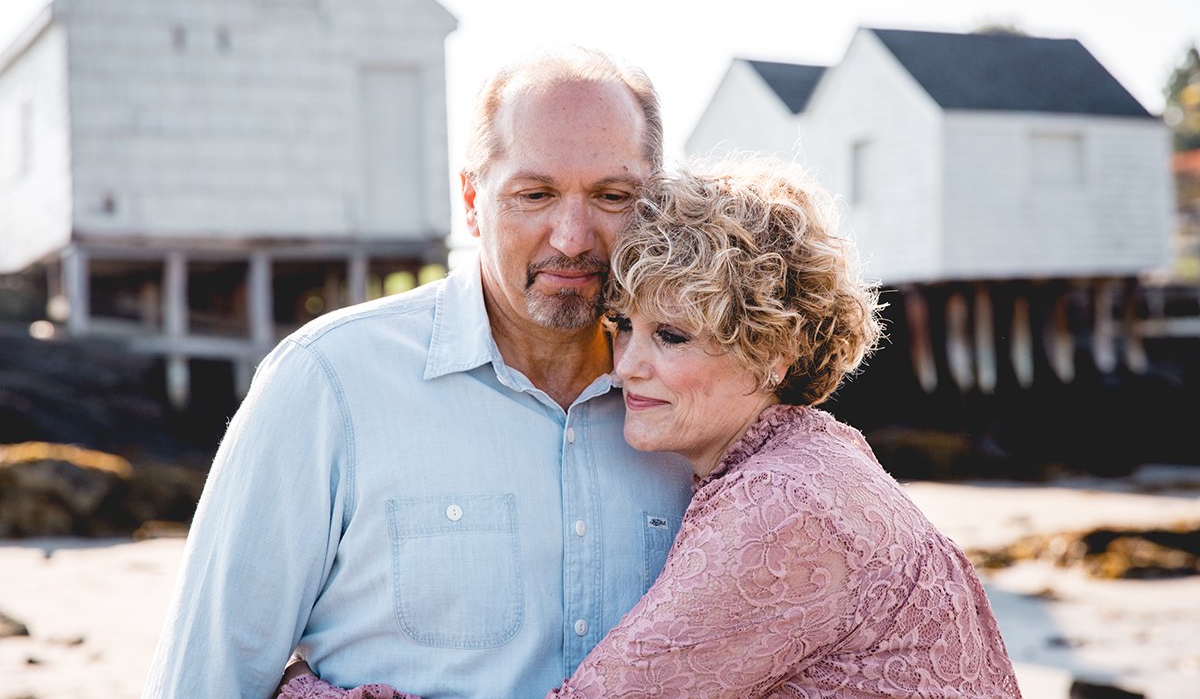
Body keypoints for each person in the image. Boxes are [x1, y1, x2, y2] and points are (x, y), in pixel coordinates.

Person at [279, 155, 1023, 698]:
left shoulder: (785, 508)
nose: (627, 364)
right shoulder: (819, 456)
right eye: (623, 326)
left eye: (672, 337)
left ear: (775, 351)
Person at [141, 47, 695, 699]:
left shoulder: (701, 405)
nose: (572, 237)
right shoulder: (326, 382)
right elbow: (206, 679)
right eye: (534, 193)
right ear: (471, 200)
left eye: (612, 195)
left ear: (655, 204)